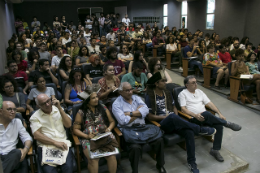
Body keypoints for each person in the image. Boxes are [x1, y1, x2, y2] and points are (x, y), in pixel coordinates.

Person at [145, 72, 217, 173]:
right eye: (163, 81)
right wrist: (169, 117)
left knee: (189, 132)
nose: (166, 82)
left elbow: (174, 107)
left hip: (174, 120)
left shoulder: (167, 92)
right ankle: (200, 129)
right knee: (173, 117)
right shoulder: (150, 95)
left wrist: (177, 118)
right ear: (156, 83)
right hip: (162, 124)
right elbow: (149, 116)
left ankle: (192, 163)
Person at [179, 75, 242, 162]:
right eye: (193, 83)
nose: (196, 84)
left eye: (196, 82)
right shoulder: (182, 94)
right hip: (193, 119)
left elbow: (210, 103)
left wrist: (220, 114)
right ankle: (227, 123)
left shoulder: (199, 92)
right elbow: (183, 109)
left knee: (219, 125)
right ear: (187, 85)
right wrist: (195, 115)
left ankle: (215, 150)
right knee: (207, 114)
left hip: (205, 117)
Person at [112, 82, 166, 173]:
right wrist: (138, 112)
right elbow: (123, 121)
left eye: (131, 89)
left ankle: (160, 165)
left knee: (159, 140)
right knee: (135, 147)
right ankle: (135, 170)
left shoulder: (137, 98)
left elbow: (146, 111)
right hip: (129, 131)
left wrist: (131, 114)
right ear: (120, 92)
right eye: (127, 90)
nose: (130, 92)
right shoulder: (116, 104)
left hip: (143, 128)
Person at [73, 84, 118, 173]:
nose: (96, 99)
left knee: (112, 156)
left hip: (104, 136)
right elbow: (75, 129)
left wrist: (109, 129)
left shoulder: (103, 108)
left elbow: (112, 122)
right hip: (89, 138)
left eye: (96, 97)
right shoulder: (81, 112)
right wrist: (86, 136)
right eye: (93, 98)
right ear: (87, 101)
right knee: (93, 159)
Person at [29, 94, 73, 173]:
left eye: (48, 101)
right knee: (49, 171)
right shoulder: (35, 117)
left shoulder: (58, 110)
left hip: (63, 144)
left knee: (68, 168)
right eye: (43, 103)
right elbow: (36, 135)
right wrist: (55, 142)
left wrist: (60, 108)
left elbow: (68, 124)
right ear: (38, 106)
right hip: (46, 146)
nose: (47, 104)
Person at [0, 101, 32, 173]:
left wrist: (25, 150)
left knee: (17, 152)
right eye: (9, 109)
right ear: (0, 111)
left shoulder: (17, 122)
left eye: (14, 109)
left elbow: (27, 138)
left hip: (12, 156)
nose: (13, 112)